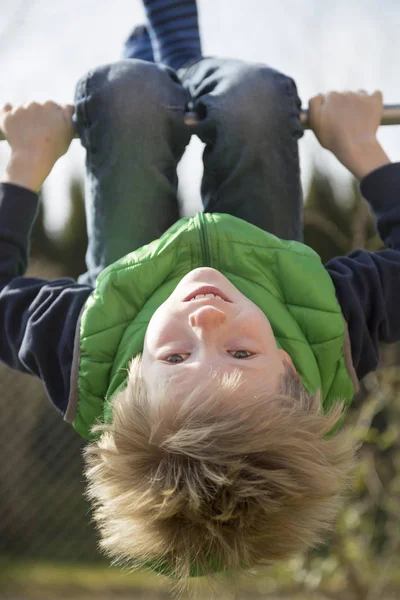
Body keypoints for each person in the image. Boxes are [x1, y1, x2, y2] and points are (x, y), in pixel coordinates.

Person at [0, 0, 399, 585]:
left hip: (129, 273)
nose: (207, 324)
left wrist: (26, 163)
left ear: (132, 375)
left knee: (124, 95)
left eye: (175, 358)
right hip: (263, 256)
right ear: (291, 369)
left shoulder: (81, 346)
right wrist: (362, 147)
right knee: (257, 98)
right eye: (240, 355)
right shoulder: (330, 326)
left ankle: (151, 82)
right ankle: (177, 62)